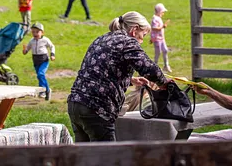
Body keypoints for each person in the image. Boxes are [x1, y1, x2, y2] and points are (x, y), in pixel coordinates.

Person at [67, 11, 170, 142]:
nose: (142, 41)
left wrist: (131, 80)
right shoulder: (127, 42)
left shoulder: (102, 38)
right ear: (134, 30)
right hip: (97, 107)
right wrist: (163, 83)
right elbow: (149, 68)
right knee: (108, 157)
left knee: (83, 158)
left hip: (75, 103)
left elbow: (98, 70)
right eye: (143, 35)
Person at [22, 22, 55, 101]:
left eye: (37, 32)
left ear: (42, 32)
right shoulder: (31, 41)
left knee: (41, 74)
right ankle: (42, 91)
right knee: (39, 76)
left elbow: (52, 46)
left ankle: (46, 90)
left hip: (44, 60)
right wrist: (24, 50)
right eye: (33, 32)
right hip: (36, 60)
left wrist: (52, 54)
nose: (35, 33)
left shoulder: (45, 40)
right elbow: (27, 50)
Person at [151, 3, 172, 72]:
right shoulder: (155, 19)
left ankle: (166, 65)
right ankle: (154, 66)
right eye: (162, 12)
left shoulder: (158, 18)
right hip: (157, 39)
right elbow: (154, 28)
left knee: (165, 50)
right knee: (158, 52)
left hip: (161, 38)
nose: (163, 13)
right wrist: (163, 26)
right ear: (159, 11)